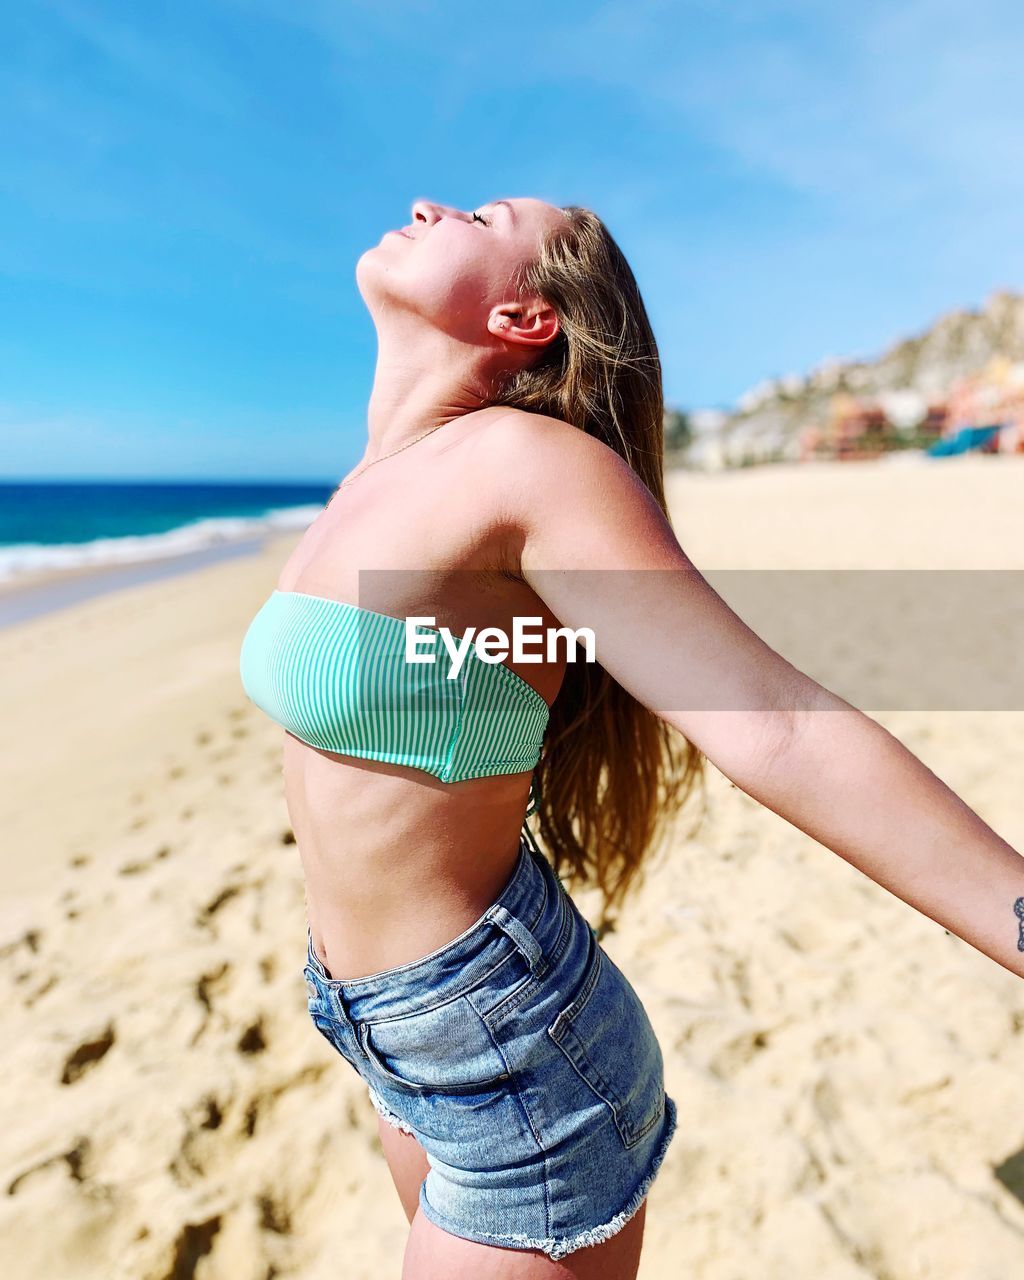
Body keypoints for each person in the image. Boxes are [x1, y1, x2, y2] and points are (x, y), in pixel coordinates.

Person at [239, 197, 1024, 1279]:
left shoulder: (530, 467)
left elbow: (777, 724)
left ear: (525, 316)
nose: (428, 204)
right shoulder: (369, 485)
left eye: (480, 214)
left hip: (507, 1049)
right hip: (388, 1029)